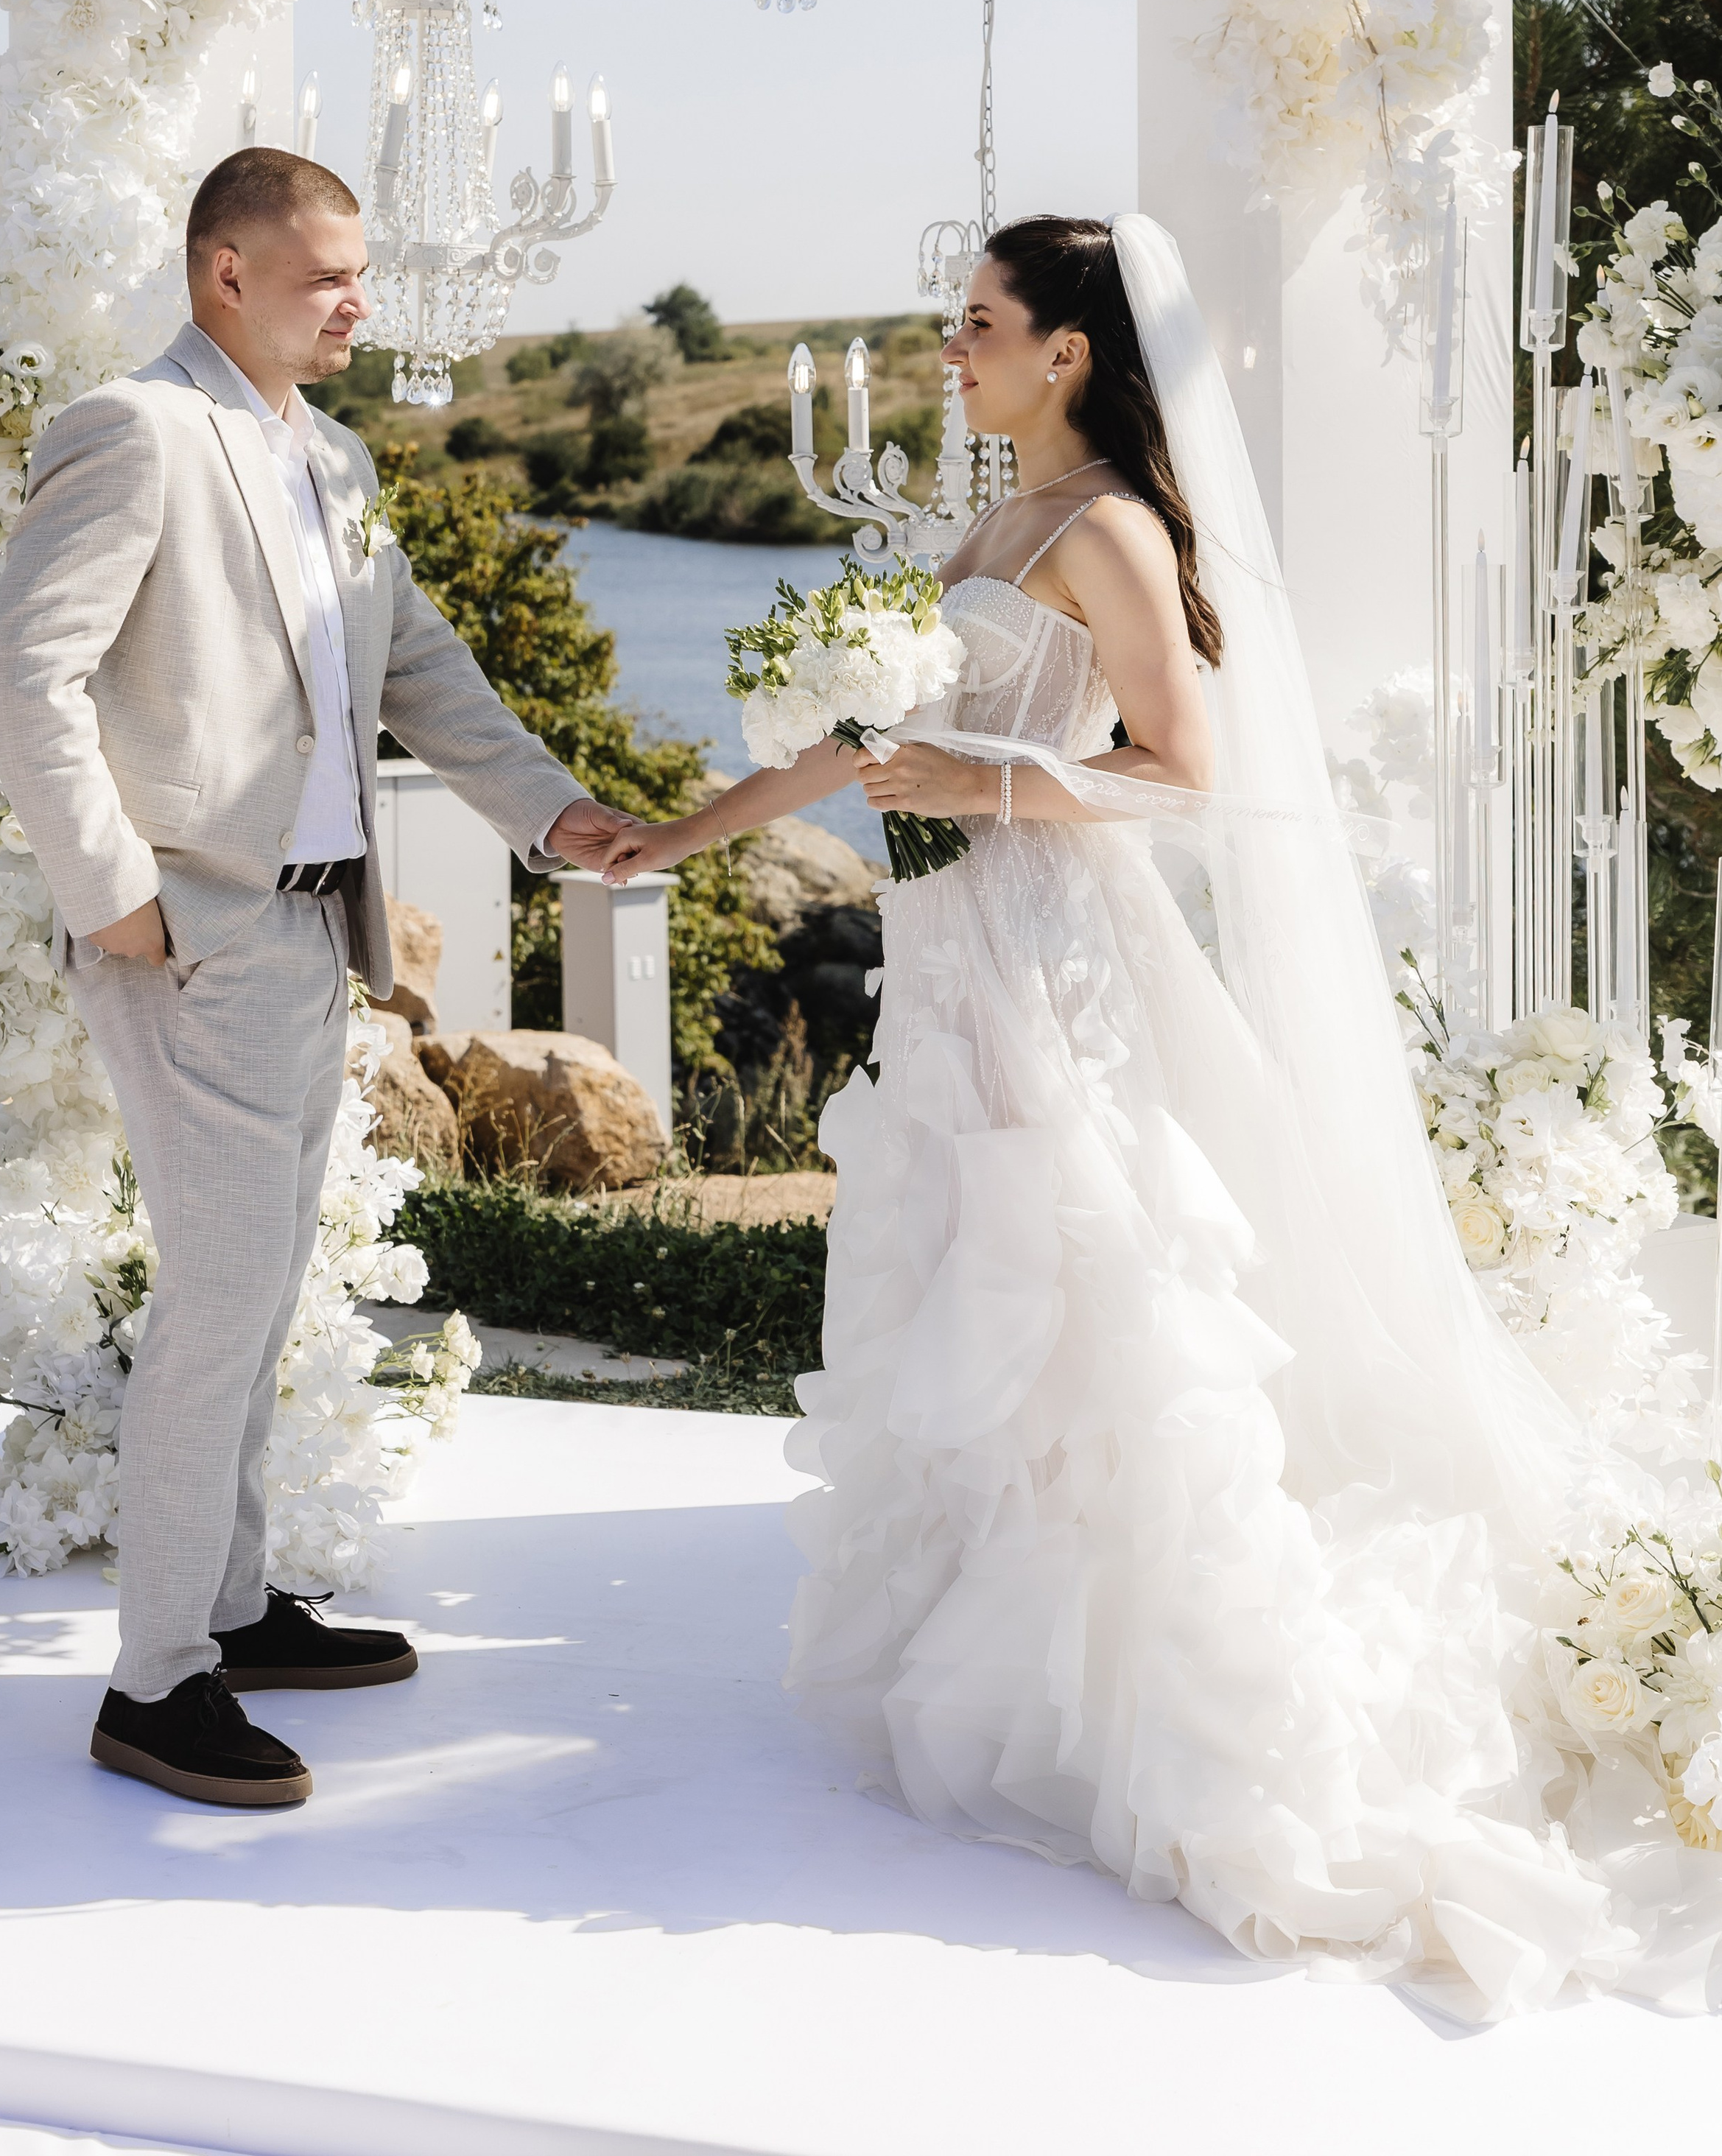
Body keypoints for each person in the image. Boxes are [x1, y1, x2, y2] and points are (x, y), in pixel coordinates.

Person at [597, 211, 1722, 2018]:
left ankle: (1162, 1693)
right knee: (977, 1285)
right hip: (951, 959)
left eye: (976, 322)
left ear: (1064, 351)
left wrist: (989, 777)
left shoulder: (1109, 524)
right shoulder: (982, 525)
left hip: (1051, 960)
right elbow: (855, 744)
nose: (944, 345)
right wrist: (665, 837)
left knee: (1091, 1282)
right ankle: (1004, 1648)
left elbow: (1177, 772)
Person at [0, 144, 634, 1812]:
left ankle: (234, 1609)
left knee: (260, 1293)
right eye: (329, 273)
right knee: (215, 1307)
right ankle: (154, 1683)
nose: (358, 301)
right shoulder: (135, 431)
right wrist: (117, 894)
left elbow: (419, 670)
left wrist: (552, 811)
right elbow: (24, 671)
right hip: (192, 931)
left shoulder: (325, 456)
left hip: (306, 930)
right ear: (224, 274)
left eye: (360, 273)